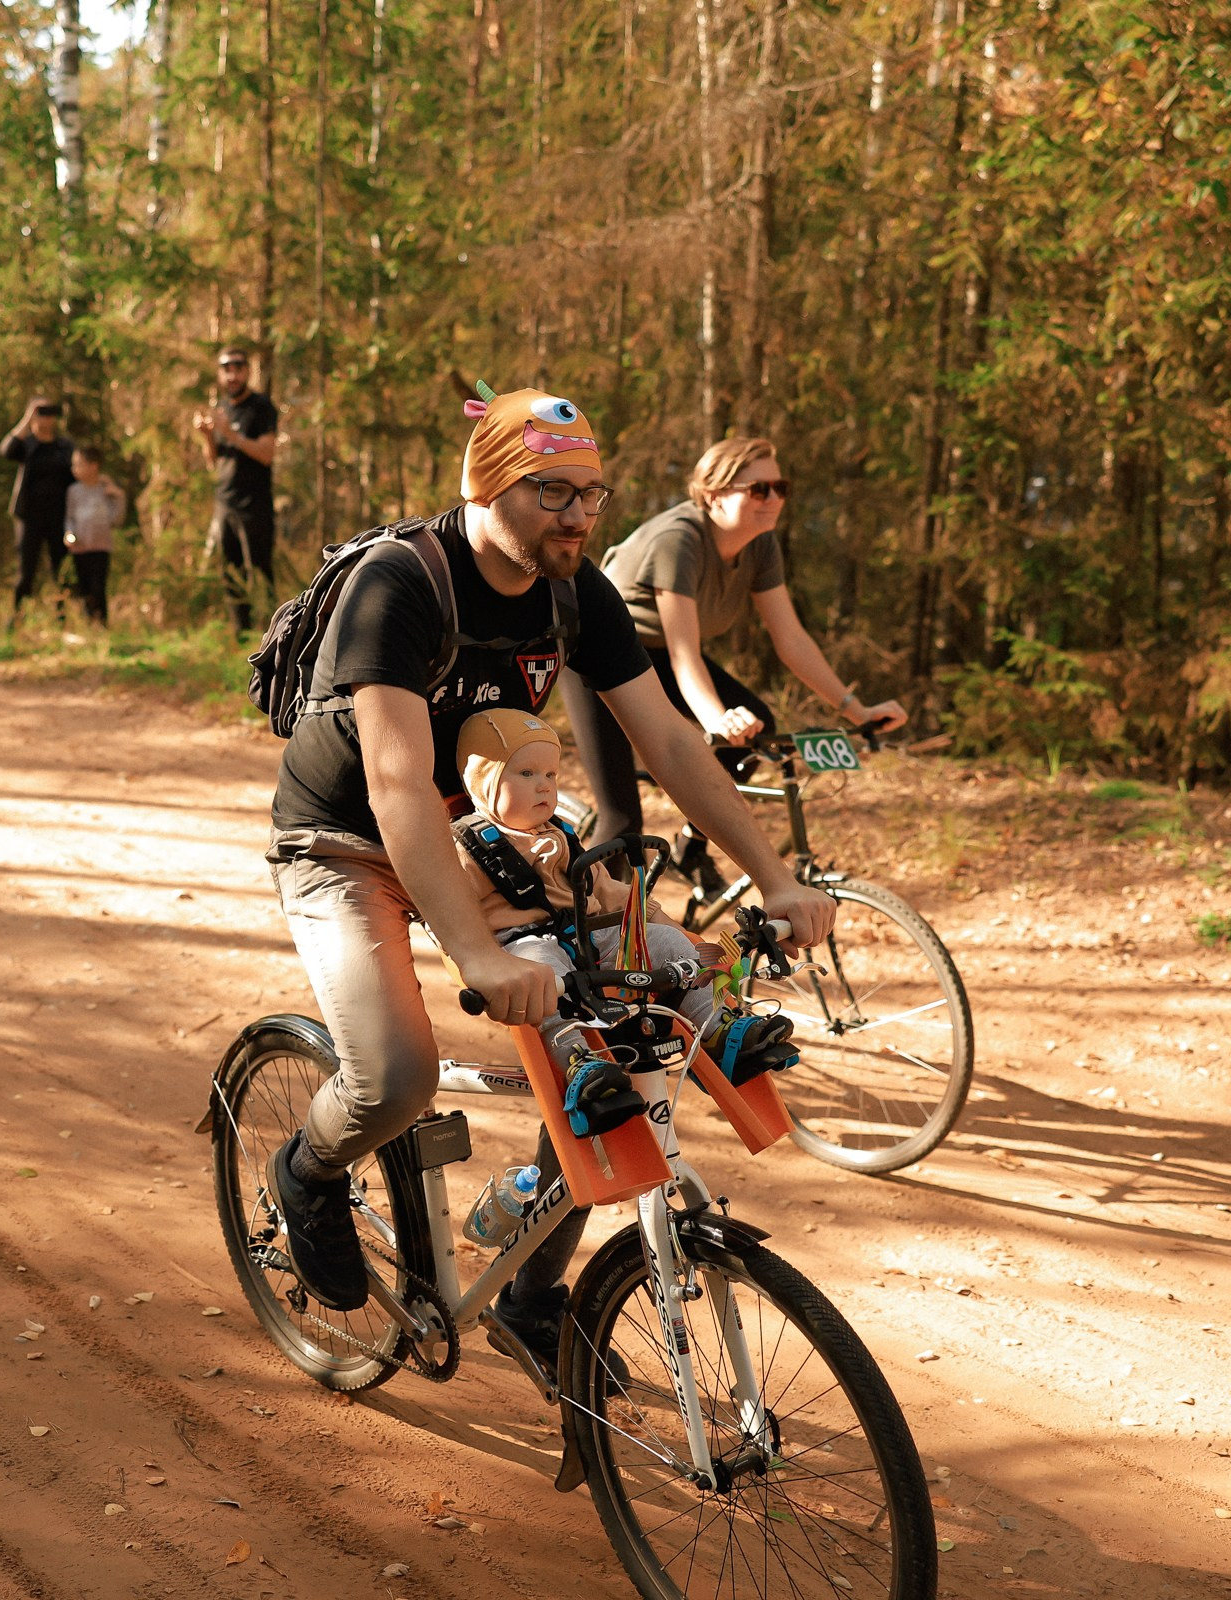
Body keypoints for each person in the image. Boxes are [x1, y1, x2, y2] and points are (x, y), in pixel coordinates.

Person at [263, 385, 835, 1374]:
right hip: (348, 845)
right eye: (551, 493)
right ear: (485, 486)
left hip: (488, 838)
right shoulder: (401, 584)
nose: (578, 516)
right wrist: (477, 949)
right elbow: (397, 784)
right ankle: (304, 1172)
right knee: (394, 1077)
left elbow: (669, 740)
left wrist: (775, 878)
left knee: (618, 1045)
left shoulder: (579, 592)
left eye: (592, 495)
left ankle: (531, 1297)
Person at [563, 436, 909, 885]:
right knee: (623, 820)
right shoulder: (679, 539)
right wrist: (717, 719)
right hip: (597, 651)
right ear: (713, 495)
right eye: (758, 489)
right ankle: (590, 939)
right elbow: (687, 655)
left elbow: (791, 640)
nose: (774, 499)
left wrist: (855, 709)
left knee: (757, 727)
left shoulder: (761, 545)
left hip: (659, 652)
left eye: (780, 487)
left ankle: (691, 845)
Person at [453, 709, 798, 1110]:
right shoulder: (466, 845)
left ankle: (720, 1030)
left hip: (589, 936)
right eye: (526, 775)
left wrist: (669, 926)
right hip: (523, 949)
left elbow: (610, 891)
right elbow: (452, 911)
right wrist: (479, 960)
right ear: (484, 780)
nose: (543, 787)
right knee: (541, 966)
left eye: (551, 775)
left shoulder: (562, 833)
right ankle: (580, 1064)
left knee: (668, 942)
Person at [190, 345, 277, 630]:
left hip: (255, 504)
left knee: (260, 570)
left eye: (238, 367)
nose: (232, 374)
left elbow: (266, 454)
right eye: (226, 368)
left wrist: (230, 434)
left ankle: (272, 632)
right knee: (230, 571)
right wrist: (208, 437)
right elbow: (213, 461)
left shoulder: (261, 407)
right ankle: (241, 633)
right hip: (225, 502)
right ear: (220, 373)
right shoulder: (223, 409)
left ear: (247, 371)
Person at [0, 396, 77, 622]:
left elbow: (78, 473)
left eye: (49, 412)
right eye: (41, 412)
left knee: (59, 571)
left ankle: (61, 618)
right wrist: (27, 418)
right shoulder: (26, 444)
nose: (46, 417)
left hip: (59, 517)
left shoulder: (65, 446)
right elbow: (6, 450)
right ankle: (18, 617)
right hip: (28, 516)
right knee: (26, 571)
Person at [63, 445, 125, 629]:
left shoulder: (106, 490)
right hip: (80, 547)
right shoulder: (73, 491)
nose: (74, 469)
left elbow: (117, 520)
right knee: (83, 587)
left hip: (101, 546)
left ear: (93, 466)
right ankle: (88, 623)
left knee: (98, 587)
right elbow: (69, 518)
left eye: (79, 464)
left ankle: (102, 624)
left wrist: (119, 497)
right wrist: (69, 534)